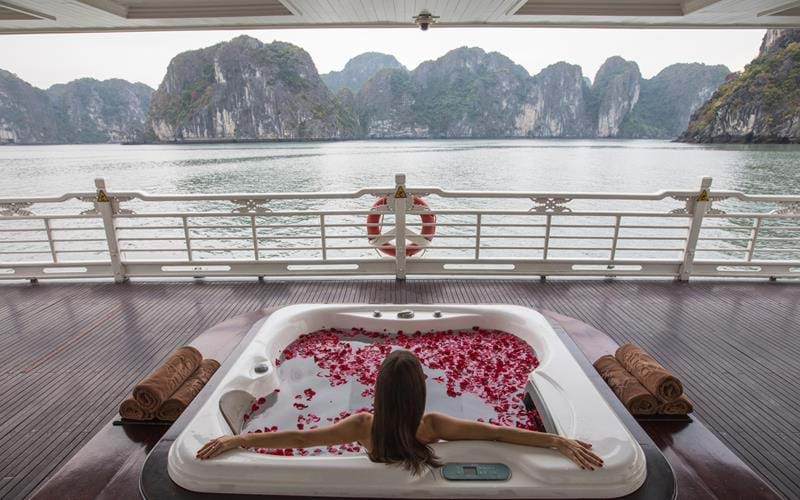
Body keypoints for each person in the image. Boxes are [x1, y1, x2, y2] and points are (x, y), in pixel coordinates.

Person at [197, 350, 603, 473]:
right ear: (419, 391)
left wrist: (240, 437)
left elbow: (301, 439)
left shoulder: (361, 425)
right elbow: (496, 433)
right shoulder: (433, 425)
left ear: (379, 390)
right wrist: (556, 439)